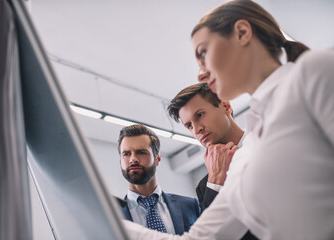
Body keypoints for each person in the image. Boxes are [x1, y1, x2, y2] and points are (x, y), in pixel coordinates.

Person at [124, 0, 334, 239]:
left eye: (203, 54)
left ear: (242, 33)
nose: (201, 72)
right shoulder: (250, 150)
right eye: (188, 125)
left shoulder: (313, 72)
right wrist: (112, 222)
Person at [167, 83, 244, 212]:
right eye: (189, 126)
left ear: (225, 106)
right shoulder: (206, 187)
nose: (197, 129)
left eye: (200, 115)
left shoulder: (266, 144)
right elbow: (214, 231)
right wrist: (216, 183)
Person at [118, 124, 201, 235]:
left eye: (141, 152)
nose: (133, 159)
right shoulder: (112, 215)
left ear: (157, 158)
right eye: (126, 154)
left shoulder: (190, 205)